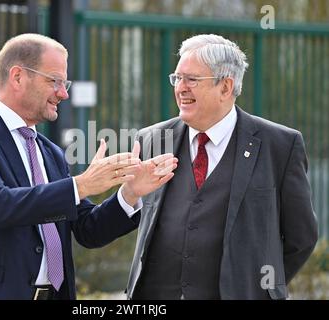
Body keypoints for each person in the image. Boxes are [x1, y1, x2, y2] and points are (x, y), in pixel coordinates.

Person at [0, 33, 177, 300]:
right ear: (17, 77)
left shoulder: (50, 152)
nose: (63, 93)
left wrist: (130, 193)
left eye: (65, 83)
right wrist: (82, 184)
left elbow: (89, 231)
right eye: (54, 81)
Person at [126, 34, 318, 300]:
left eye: (192, 79)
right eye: (177, 78)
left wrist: (259, 289)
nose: (181, 88)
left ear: (226, 87)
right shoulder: (152, 140)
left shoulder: (280, 146)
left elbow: (302, 238)